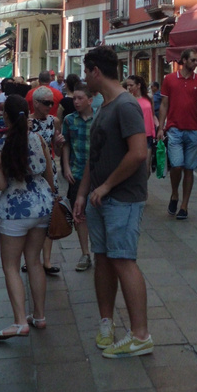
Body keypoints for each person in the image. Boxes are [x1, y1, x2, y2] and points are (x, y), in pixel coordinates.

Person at [73, 46, 152, 358]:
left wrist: (105, 186)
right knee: (103, 259)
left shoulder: (125, 106)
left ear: (95, 71)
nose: (82, 79)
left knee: (122, 260)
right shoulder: (104, 106)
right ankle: (106, 324)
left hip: (122, 199)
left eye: (85, 71)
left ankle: (141, 336)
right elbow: (97, 156)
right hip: (99, 199)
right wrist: (83, 192)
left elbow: (139, 153)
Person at [0, 94, 56, 337]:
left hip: (15, 210)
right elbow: (50, 174)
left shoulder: (1, 146)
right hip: (42, 206)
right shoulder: (38, 138)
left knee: (11, 266)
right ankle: (39, 316)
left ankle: (20, 321)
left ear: (5, 116)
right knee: (35, 261)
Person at [156, 49, 197, 221]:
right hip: (174, 129)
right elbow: (164, 104)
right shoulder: (170, 79)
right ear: (184, 60)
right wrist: (160, 127)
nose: (196, 63)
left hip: (193, 130)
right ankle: (174, 194)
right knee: (177, 165)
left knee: (189, 168)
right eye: (193, 60)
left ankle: (184, 205)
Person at [29, 85, 64, 276]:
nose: (49, 106)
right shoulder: (27, 122)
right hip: (31, 173)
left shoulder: (54, 121)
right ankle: (31, 258)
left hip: (49, 171)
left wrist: (59, 145)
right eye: (45, 103)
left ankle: (47, 261)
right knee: (32, 216)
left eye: (51, 103)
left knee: (49, 215)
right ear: (35, 103)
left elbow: (56, 151)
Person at [61, 83, 96, 271]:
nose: (76, 101)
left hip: (97, 175)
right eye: (74, 98)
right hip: (76, 173)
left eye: (80, 98)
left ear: (90, 100)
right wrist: (66, 166)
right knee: (78, 214)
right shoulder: (69, 120)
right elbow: (66, 144)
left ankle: (99, 251)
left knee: (98, 213)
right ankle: (85, 253)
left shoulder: (98, 118)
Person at [126, 75, 157, 176]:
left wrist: (158, 127)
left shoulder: (149, 97)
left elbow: (152, 115)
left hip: (147, 134)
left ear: (138, 85)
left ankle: (143, 188)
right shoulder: (128, 99)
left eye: (131, 85)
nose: (129, 88)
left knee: (146, 167)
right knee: (134, 165)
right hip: (134, 134)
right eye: (127, 85)